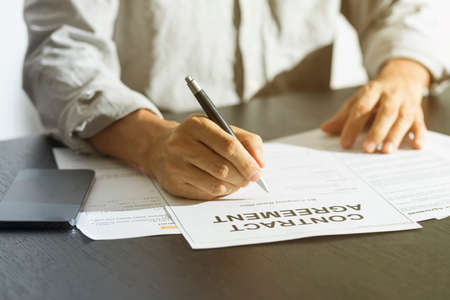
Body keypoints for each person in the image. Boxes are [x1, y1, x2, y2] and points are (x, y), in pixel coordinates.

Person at [23, 1, 449, 200]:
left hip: (307, 150)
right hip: (148, 160)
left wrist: (405, 73)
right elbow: (61, 51)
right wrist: (150, 142)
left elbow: (403, 8)